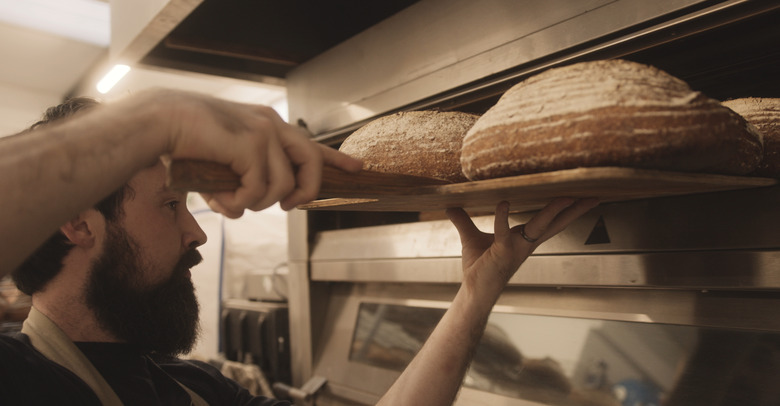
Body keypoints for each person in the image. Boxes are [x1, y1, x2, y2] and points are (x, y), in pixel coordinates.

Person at [0, 89, 598, 405]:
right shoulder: (23, 382)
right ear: (77, 224)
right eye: (169, 204)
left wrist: (477, 291)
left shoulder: (192, 390)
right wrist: (153, 119)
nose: (197, 233)